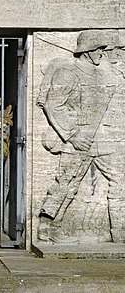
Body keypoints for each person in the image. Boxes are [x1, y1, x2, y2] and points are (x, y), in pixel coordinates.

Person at [38, 30, 125, 242]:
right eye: (98, 50)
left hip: (103, 140)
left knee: (120, 179)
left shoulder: (103, 74)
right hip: (79, 140)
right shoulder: (68, 72)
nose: (101, 54)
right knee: (67, 185)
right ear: (87, 51)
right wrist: (72, 135)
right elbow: (53, 104)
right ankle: (47, 225)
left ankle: (119, 233)